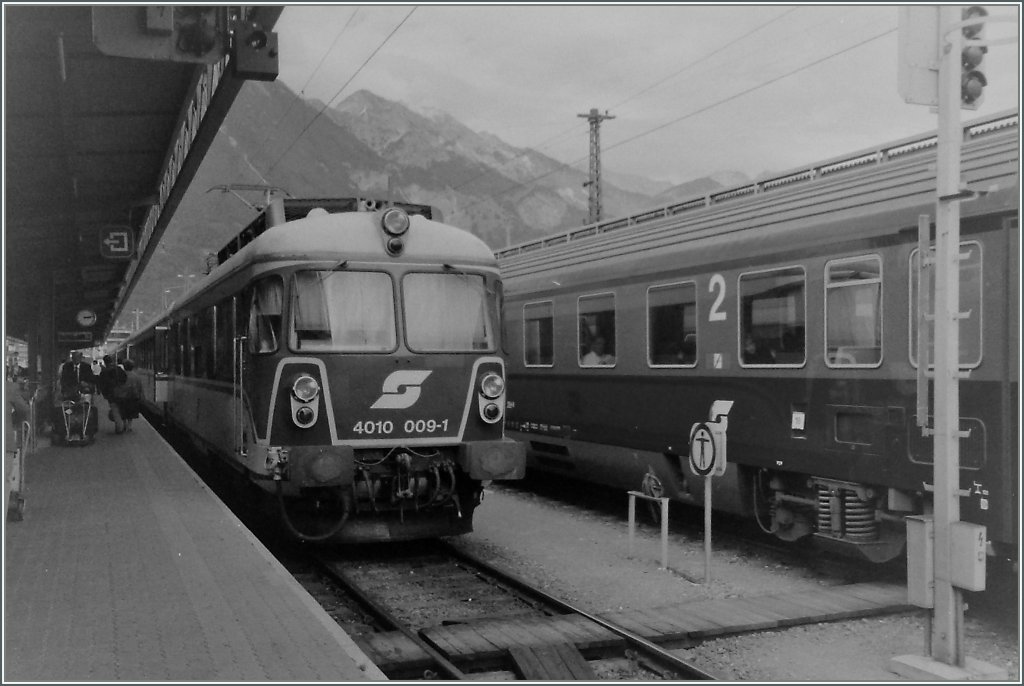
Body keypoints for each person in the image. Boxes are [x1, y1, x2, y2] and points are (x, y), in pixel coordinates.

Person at [114, 359, 143, 432]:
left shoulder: (121, 375)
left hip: (122, 397)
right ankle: (129, 426)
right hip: (133, 397)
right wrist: (139, 395)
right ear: (132, 367)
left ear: (124, 366)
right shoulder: (136, 376)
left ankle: (124, 424)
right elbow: (140, 387)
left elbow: (117, 386)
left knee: (123, 411)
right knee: (131, 412)